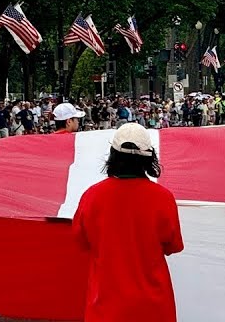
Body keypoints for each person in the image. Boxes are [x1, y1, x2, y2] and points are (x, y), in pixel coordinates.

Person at [73, 123, 183, 321]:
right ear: (149, 158)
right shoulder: (163, 197)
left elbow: (81, 241)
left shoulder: (92, 196)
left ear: (113, 155)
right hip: (153, 306)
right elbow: (173, 245)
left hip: (105, 306)